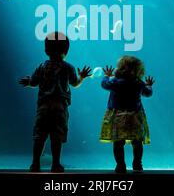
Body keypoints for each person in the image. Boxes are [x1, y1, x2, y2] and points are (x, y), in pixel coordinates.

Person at [19, 31, 91, 172]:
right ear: (66, 51)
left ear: (46, 50)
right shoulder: (68, 67)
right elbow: (75, 83)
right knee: (56, 136)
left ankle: (35, 164)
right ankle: (55, 164)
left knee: (39, 135)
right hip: (60, 108)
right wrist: (82, 77)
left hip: (43, 108)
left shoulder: (42, 66)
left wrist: (28, 82)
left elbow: (33, 82)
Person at [99, 56, 154, 173]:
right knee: (137, 141)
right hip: (135, 116)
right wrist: (149, 85)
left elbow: (104, 85)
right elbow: (148, 93)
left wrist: (106, 76)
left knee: (118, 142)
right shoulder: (138, 83)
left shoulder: (115, 82)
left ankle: (120, 165)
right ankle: (137, 164)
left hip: (117, 116)